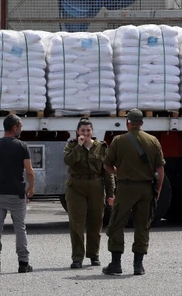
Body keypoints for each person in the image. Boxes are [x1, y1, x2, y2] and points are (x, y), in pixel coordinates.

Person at [102, 108, 165, 276]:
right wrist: (157, 190)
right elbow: (160, 169)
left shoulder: (118, 141)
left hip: (126, 188)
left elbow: (107, 165)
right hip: (146, 189)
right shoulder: (153, 141)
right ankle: (138, 265)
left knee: (117, 223)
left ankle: (116, 264)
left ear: (127, 122)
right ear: (142, 123)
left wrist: (119, 172)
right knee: (142, 225)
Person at [0, 113, 36, 273]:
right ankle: (23, 263)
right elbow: (30, 171)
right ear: (15, 127)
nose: (22, 129)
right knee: (20, 228)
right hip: (17, 194)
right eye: (21, 126)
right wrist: (31, 188)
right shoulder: (22, 146)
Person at [63, 118, 114, 268]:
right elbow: (69, 161)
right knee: (77, 223)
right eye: (82, 130)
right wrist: (79, 146)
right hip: (76, 187)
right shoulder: (71, 146)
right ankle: (77, 257)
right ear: (77, 131)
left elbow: (107, 172)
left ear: (92, 131)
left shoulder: (101, 147)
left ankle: (94, 255)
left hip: (96, 186)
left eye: (88, 130)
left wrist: (111, 192)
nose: (85, 133)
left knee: (95, 222)